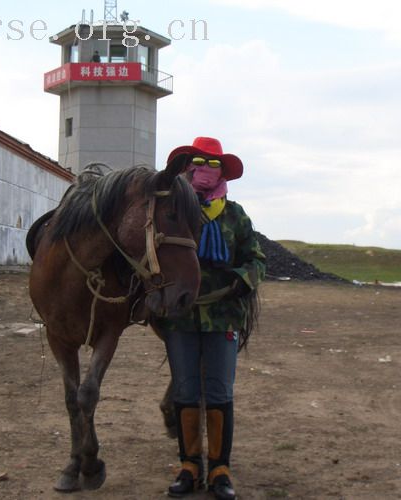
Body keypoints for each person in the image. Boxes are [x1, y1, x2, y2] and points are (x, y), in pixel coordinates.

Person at [154, 137, 266, 499]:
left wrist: (241, 280)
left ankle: (219, 469)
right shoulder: (173, 212)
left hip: (223, 317)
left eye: (213, 164)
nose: (205, 169)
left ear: (222, 172)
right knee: (186, 393)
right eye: (199, 162)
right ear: (187, 168)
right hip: (180, 318)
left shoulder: (236, 215)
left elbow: (257, 260)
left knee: (218, 394)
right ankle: (189, 466)